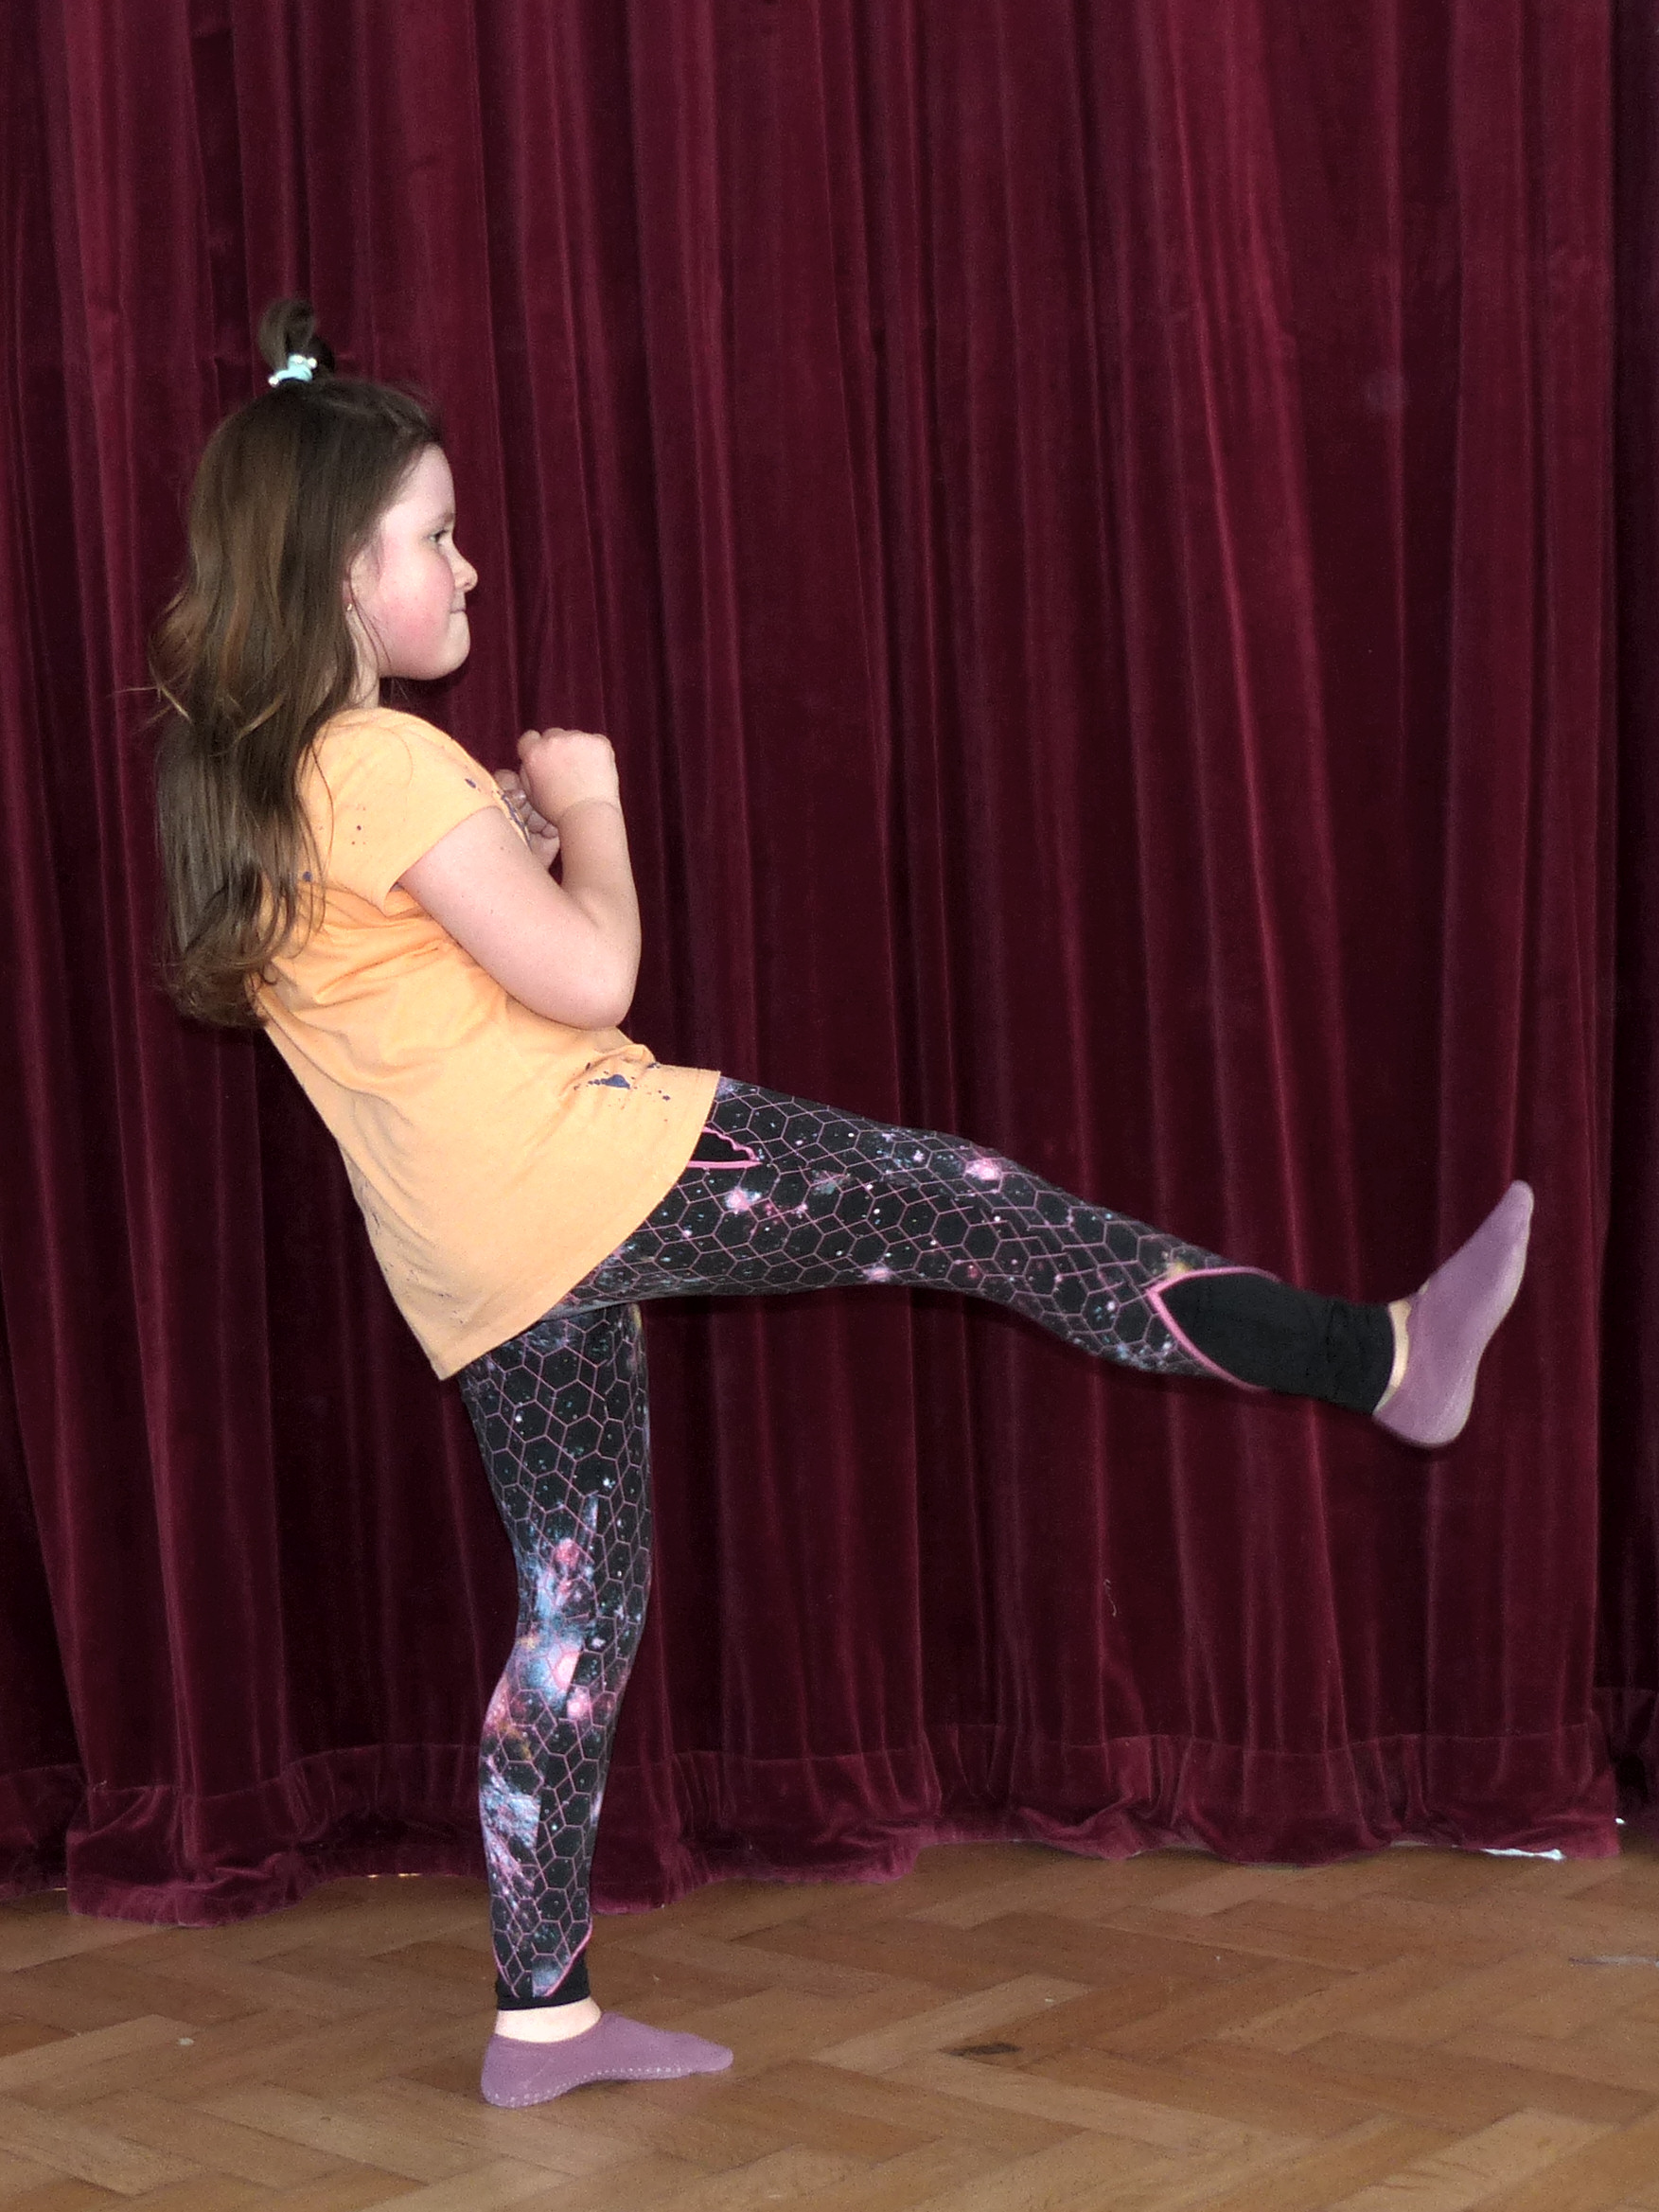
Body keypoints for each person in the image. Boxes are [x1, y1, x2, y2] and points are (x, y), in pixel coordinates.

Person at [152, 302, 1532, 2110]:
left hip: (475, 1256)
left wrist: (515, 844)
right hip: (590, 1168)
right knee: (972, 1203)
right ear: (346, 572)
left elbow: (434, 1005)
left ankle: (540, 2019)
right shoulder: (386, 764)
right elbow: (591, 978)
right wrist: (593, 807)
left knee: (575, 1614)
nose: (469, 566)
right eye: (438, 535)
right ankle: (1378, 1356)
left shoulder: (265, 789)